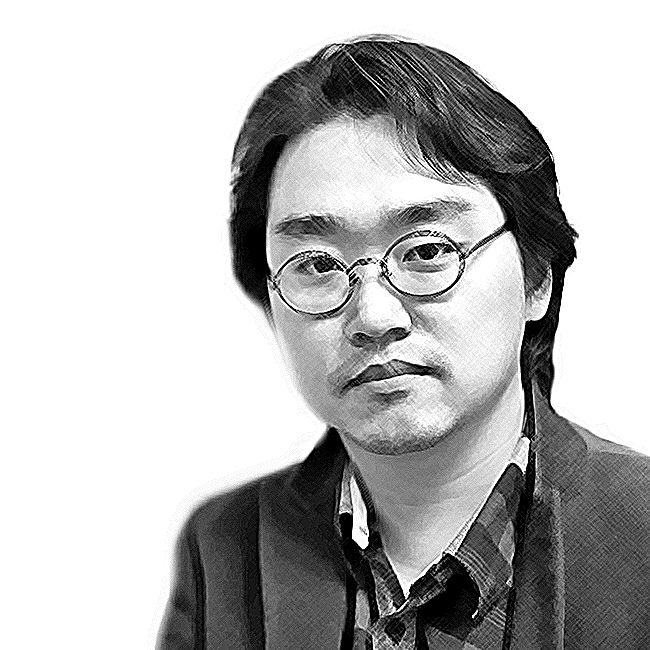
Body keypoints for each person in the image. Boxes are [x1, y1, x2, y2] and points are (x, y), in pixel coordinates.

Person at [157, 35, 650, 650]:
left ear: (536, 280)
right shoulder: (222, 548)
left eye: (426, 251)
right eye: (316, 264)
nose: (373, 316)